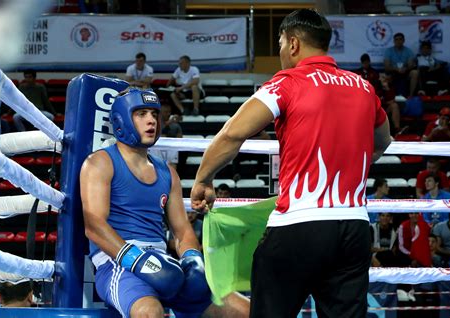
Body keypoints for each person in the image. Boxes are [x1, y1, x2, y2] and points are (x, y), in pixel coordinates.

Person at [190, 9, 391, 318]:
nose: (281, 50)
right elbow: (383, 141)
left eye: (281, 42)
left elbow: (232, 133)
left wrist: (203, 179)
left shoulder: (288, 82)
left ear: (294, 44)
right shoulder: (363, 87)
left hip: (299, 225)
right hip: (354, 228)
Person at [80, 88, 249, 318]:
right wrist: (138, 260)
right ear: (121, 119)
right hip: (118, 264)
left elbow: (181, 232)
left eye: (153, 113)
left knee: (246, 309)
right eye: (141, 113)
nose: (151, 120)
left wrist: (192, 259)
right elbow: (94, 225)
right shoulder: (100, 162)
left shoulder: (168, 173)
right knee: (149, 312)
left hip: (164, 266)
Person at [147, 103, 182, 168]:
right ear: (160, 113)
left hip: (171, 148)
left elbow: (180, 139)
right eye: (166, 112)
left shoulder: (175, 125)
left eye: (169, 112)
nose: (168, 114)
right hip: (156, 147)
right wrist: (168, 123)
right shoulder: (153, 122)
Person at [384, 32, 418, 97]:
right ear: (394, 41)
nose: (398, 41)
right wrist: (396, 69)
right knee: (387, 76)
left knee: (415, 73)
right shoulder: (389, 51)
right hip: (393, 72)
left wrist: (405, 68)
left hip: (405, 71)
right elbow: (387, 67)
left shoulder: (408, 51)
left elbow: (411, 65)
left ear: (403, 41)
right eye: (396, 39)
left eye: (400, 39)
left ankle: (410, 96)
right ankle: (392, 97)